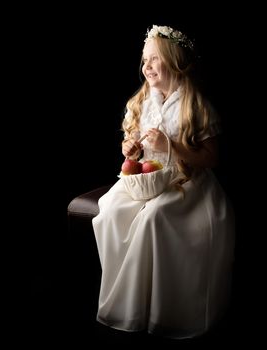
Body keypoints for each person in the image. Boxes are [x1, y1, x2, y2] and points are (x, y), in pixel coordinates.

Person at [92, 24, 235, 339]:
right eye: (144, 60)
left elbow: (210, 159)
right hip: (149, 176)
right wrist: (130, 148)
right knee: (111, 211)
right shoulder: (143, 100)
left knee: (154, 218)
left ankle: (165, 310)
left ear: (175, 61)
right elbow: (132, 141)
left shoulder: (194, 105)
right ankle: (129, 303)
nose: (147, 66)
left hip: (186, 179)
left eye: (154, 59)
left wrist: (171, 145)